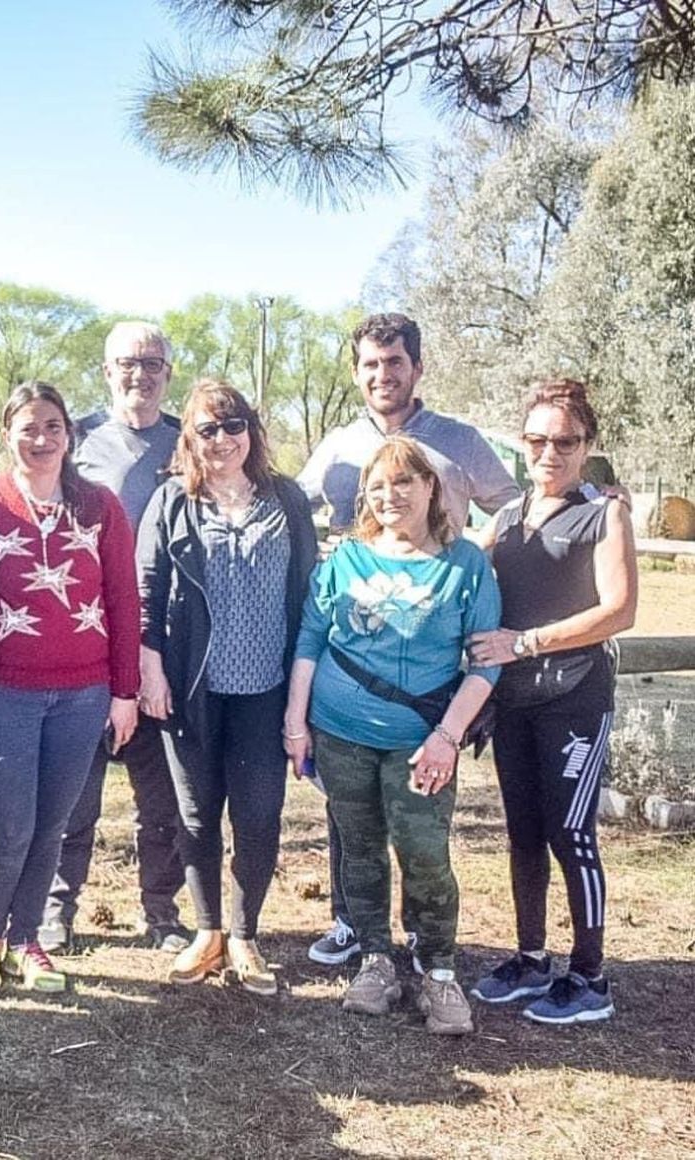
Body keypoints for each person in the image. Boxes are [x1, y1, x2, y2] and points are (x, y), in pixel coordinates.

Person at [296, 312, 518, 969]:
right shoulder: (336, 446)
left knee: (419, 819)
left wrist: (466, 555)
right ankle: (353, 925)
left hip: (432, 647)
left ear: (416, 367)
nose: (382, 375)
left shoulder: (457, 441)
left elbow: (513, 503)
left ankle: (428, 939)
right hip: (353, 638)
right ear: (357, 371)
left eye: (394, 362)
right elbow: (296, 503)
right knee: (351, 809)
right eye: (369, 364)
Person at [283, 435, 500, 1035]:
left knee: (425, 854)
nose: (389, 496)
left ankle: (439, 971)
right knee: (359, 848)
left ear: (431, 487)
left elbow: (486, 666)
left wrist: (447, 738)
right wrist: (295, 721)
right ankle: (376, 959)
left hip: (422, 740)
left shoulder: (466, 567)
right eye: (377, 487)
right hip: (339, 731)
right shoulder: (344, 561)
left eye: (403, 482)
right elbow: (309, 641)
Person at [466, 380, 636, 1025]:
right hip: (513, 702)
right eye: (537, 440)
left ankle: (589, 976)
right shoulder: (507, 519)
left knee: (572, 833)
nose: (550, 453)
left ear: (587, 445)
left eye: (566, 442)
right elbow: (452, 558)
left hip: (575, 698)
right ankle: (531, 957)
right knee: (524, 834)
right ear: (521, 443)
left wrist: (525, 642)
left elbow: (617, 610)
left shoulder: (604, 514)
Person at [138, 382, 318, 994]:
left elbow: (309, 599)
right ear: (189, 439)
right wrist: (152, 671)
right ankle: (207, 932)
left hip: (266, 691)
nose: (222, 439)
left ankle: (245, 936)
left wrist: (302, 696)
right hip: (192, 691)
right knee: (194, 816)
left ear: (252, 431)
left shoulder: (286, 499)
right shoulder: (171, 502)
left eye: (232, 425)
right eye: (207, 430)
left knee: (259, 815)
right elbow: (146, 596)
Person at [0, 382, 140, 993]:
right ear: (7, 432)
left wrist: (125, 692)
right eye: (28, 427)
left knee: (54, 823)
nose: (41, 440)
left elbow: (123, 600)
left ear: (70, 436)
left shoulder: (100, 508)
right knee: (10, 821)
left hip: (84, 694)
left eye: (53, 427)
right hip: (4, 691)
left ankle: (27, 939)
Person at [43, 320, 191, 954]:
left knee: (160, 797)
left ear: (168, 371)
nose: (141, 374)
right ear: (106, 371)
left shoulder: (192, 441)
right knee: (75, 793)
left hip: (165, 641)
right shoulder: (74, 439)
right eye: (127, 363)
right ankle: (55, 909)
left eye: (153, 363)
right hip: (88, 638)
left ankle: (162, 912)